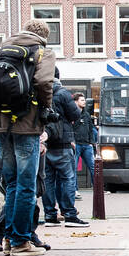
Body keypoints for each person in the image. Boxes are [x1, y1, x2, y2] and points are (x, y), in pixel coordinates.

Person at [0, 20, 56, 253]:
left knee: (12, 184)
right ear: (44, 35)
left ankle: (8, 239)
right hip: (26, 124)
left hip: (0, 124)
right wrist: (45, 109)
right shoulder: (42, 52)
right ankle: (20, 241)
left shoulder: (4, 48)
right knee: (27, 185)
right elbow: (44, 82)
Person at [42, 78, 85, 226]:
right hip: (62, 142)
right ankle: (69, 214)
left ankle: (49, 215)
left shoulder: (40, 92)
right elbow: (75, 114)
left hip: (45, 143)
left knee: (48, 180)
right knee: (68, 178)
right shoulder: (63, 94)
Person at [73, 92, 97, 193]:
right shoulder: (72, 114)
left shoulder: (87, 115)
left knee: (93, 167)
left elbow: (91, 129)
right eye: (82, 100)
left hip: (87, 145)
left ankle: (97, 189)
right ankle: (74, 190)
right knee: (73, 167)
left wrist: (91, 143)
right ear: (76, 102)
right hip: (76, 144)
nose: (84, 102)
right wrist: (72, 141)